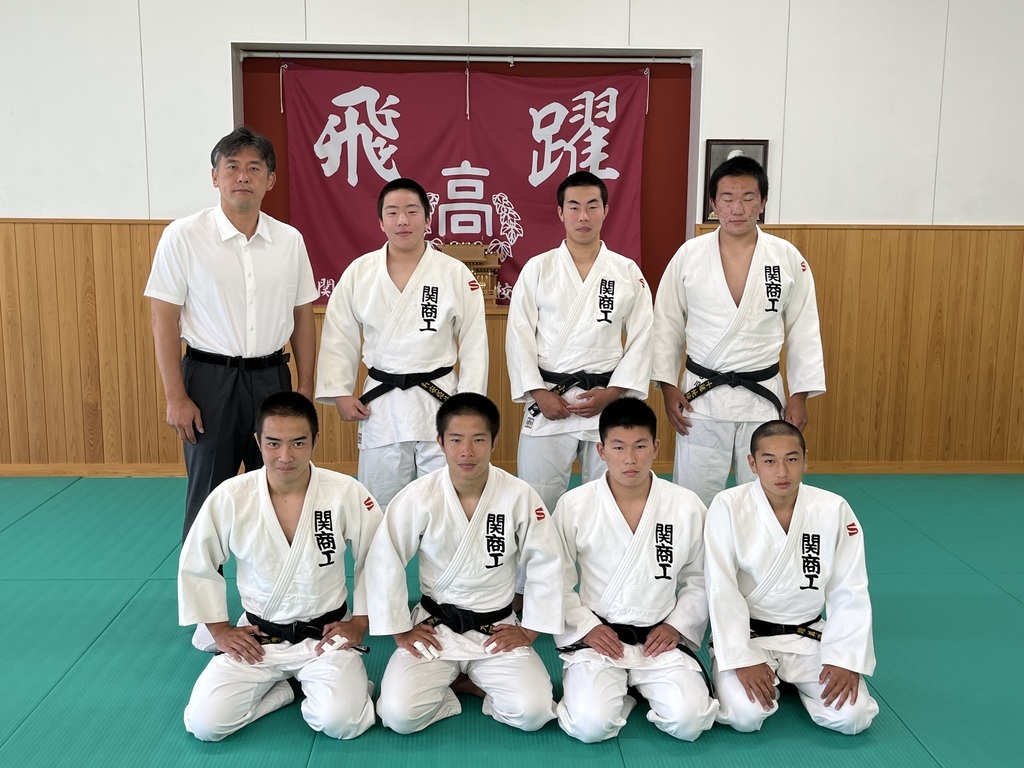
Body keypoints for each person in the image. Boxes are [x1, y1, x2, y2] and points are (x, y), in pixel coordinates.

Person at [145, 126, 317, 541]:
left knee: (280, 491)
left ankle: (278, 584)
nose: (243, 176)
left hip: (273, 378)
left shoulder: (289, 240)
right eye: (232, 167)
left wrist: (306, 388)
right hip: (209, 383)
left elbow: (303, 317)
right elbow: (163, 318)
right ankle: (203, 586)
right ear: (214, 176)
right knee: (208, 499)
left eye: (254, 168)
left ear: (270, 180)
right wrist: (175, 397)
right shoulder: (183, 236)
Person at [178, 391, 382, 741]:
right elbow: (198, 562)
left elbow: (377, 558)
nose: (285, 456)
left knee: (342, 723)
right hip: (259, 638)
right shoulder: (231, 495)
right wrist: (220, 630)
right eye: (273, 444)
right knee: (205, 725)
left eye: (298, 443)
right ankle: (289, 689)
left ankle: (329, 685)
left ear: (315, 440)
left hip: (324, 637)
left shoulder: (345, 491)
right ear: (258, 441)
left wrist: (360, 623)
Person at [365, 393, 564, 734]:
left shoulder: (518, 495)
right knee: (398, 716)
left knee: (533, 712)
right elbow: (385, 559)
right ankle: (462, 686)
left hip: (496, 629)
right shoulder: (419, 495)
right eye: (456, 439)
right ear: (440, 442)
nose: (467, 451)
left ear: (494, 442)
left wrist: (530, 629)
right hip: (435, 628)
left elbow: (547, 561)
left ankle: (466, 682)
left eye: (478, 440)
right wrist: (400, 628)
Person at [652, 156, 824, 507]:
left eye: (748, 197)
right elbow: (666, 323)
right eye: (727, 198)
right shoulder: (689, 255)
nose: (737, 208)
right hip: (702, 397)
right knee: (695, 498)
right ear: (713, 204)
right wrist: (668, 387)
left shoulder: (786, 257)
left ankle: (759, 546)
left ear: (763, 202)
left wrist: (800, 395)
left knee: (764, 497)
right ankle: (696, 548)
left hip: (763, 397)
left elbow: (804, 329)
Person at [315, 178, 488, 510]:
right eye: (392, 212)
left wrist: (469, 401)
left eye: (412, 211)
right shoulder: (359, 273)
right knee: (379, 502)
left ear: (428, 218)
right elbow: (339, 334)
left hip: (440, 400)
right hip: (382, 404)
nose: (403, 221)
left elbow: (474, 341)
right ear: (381, 222)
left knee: (444, 502)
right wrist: (339, 391)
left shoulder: (454, 273)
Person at [552, 397, 718, 743]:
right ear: (601, 450)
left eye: (640, 446)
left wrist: (677, 625)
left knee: (690, 722)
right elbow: (555, 578)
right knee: (589, 726)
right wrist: (585, 627)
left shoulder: (685, 505)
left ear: (656, 447)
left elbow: (700, 577)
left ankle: (637, 684)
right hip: (600, 639)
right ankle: (626, 691)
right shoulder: (575, 505)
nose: (630, 459)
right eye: (618, 447)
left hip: (660, 639)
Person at [704, 420, 878, 735]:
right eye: (770, 461)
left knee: (852, 717)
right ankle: (750, 671)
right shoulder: (728, 505)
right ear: (752, 463)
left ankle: (792, 678)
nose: (782, 472)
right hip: (750, 636)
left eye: (792, 459)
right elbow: (720, 586)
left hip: (807, 636)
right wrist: (741, 657)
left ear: (806, 459)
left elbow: (850, 588)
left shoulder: (833, 509)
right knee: (745, 716)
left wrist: (845, 659)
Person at [506, 171, 653, 512]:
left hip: (606, 401)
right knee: (538, 501)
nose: (583, 216)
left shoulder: (626, 271)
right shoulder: (538, 269)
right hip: (550, 400)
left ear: (606, 210)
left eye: (592, 206)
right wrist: (538, 393)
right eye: (574, 207)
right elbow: (519, 335)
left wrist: (613, 394)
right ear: (560, 212)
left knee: (606, 502)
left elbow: (644, 335)